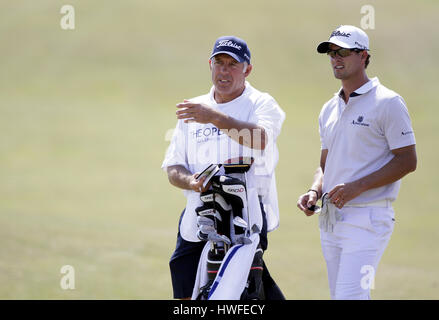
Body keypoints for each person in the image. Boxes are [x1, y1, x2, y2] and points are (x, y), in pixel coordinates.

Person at [297, 25, 417, 300]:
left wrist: (356, 187)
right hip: (331, 218)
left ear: (363, 56)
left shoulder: (388, 102)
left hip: (368, 217)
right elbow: (325, 164)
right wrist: (315, 190)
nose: (335, 58)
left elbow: (408, 160)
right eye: (331, 53)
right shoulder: (329, 108)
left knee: (349, 297)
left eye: (343, 52)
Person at [162, 35, 286, 299]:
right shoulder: (193, 109)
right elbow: (173, 167)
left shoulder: (261, 103)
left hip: (247, 214)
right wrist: (192, 181)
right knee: (184, 284)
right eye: (220, 63)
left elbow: (260, 139)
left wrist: (213, 117)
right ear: (210, 65)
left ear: (247, 69)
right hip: (199, 211)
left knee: (236, 291)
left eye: (233, 64)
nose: (224, 70)